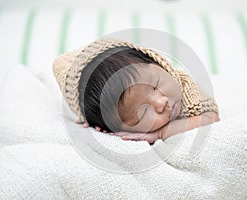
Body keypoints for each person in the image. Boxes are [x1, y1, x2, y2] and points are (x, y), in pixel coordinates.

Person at [53, 38, 219, 144]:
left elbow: (211, 117)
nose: (162, 103)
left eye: (156, 84)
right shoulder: (118, 128)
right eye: (142, 112)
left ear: (158, 63)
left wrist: (160, 132)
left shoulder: (186, 87)